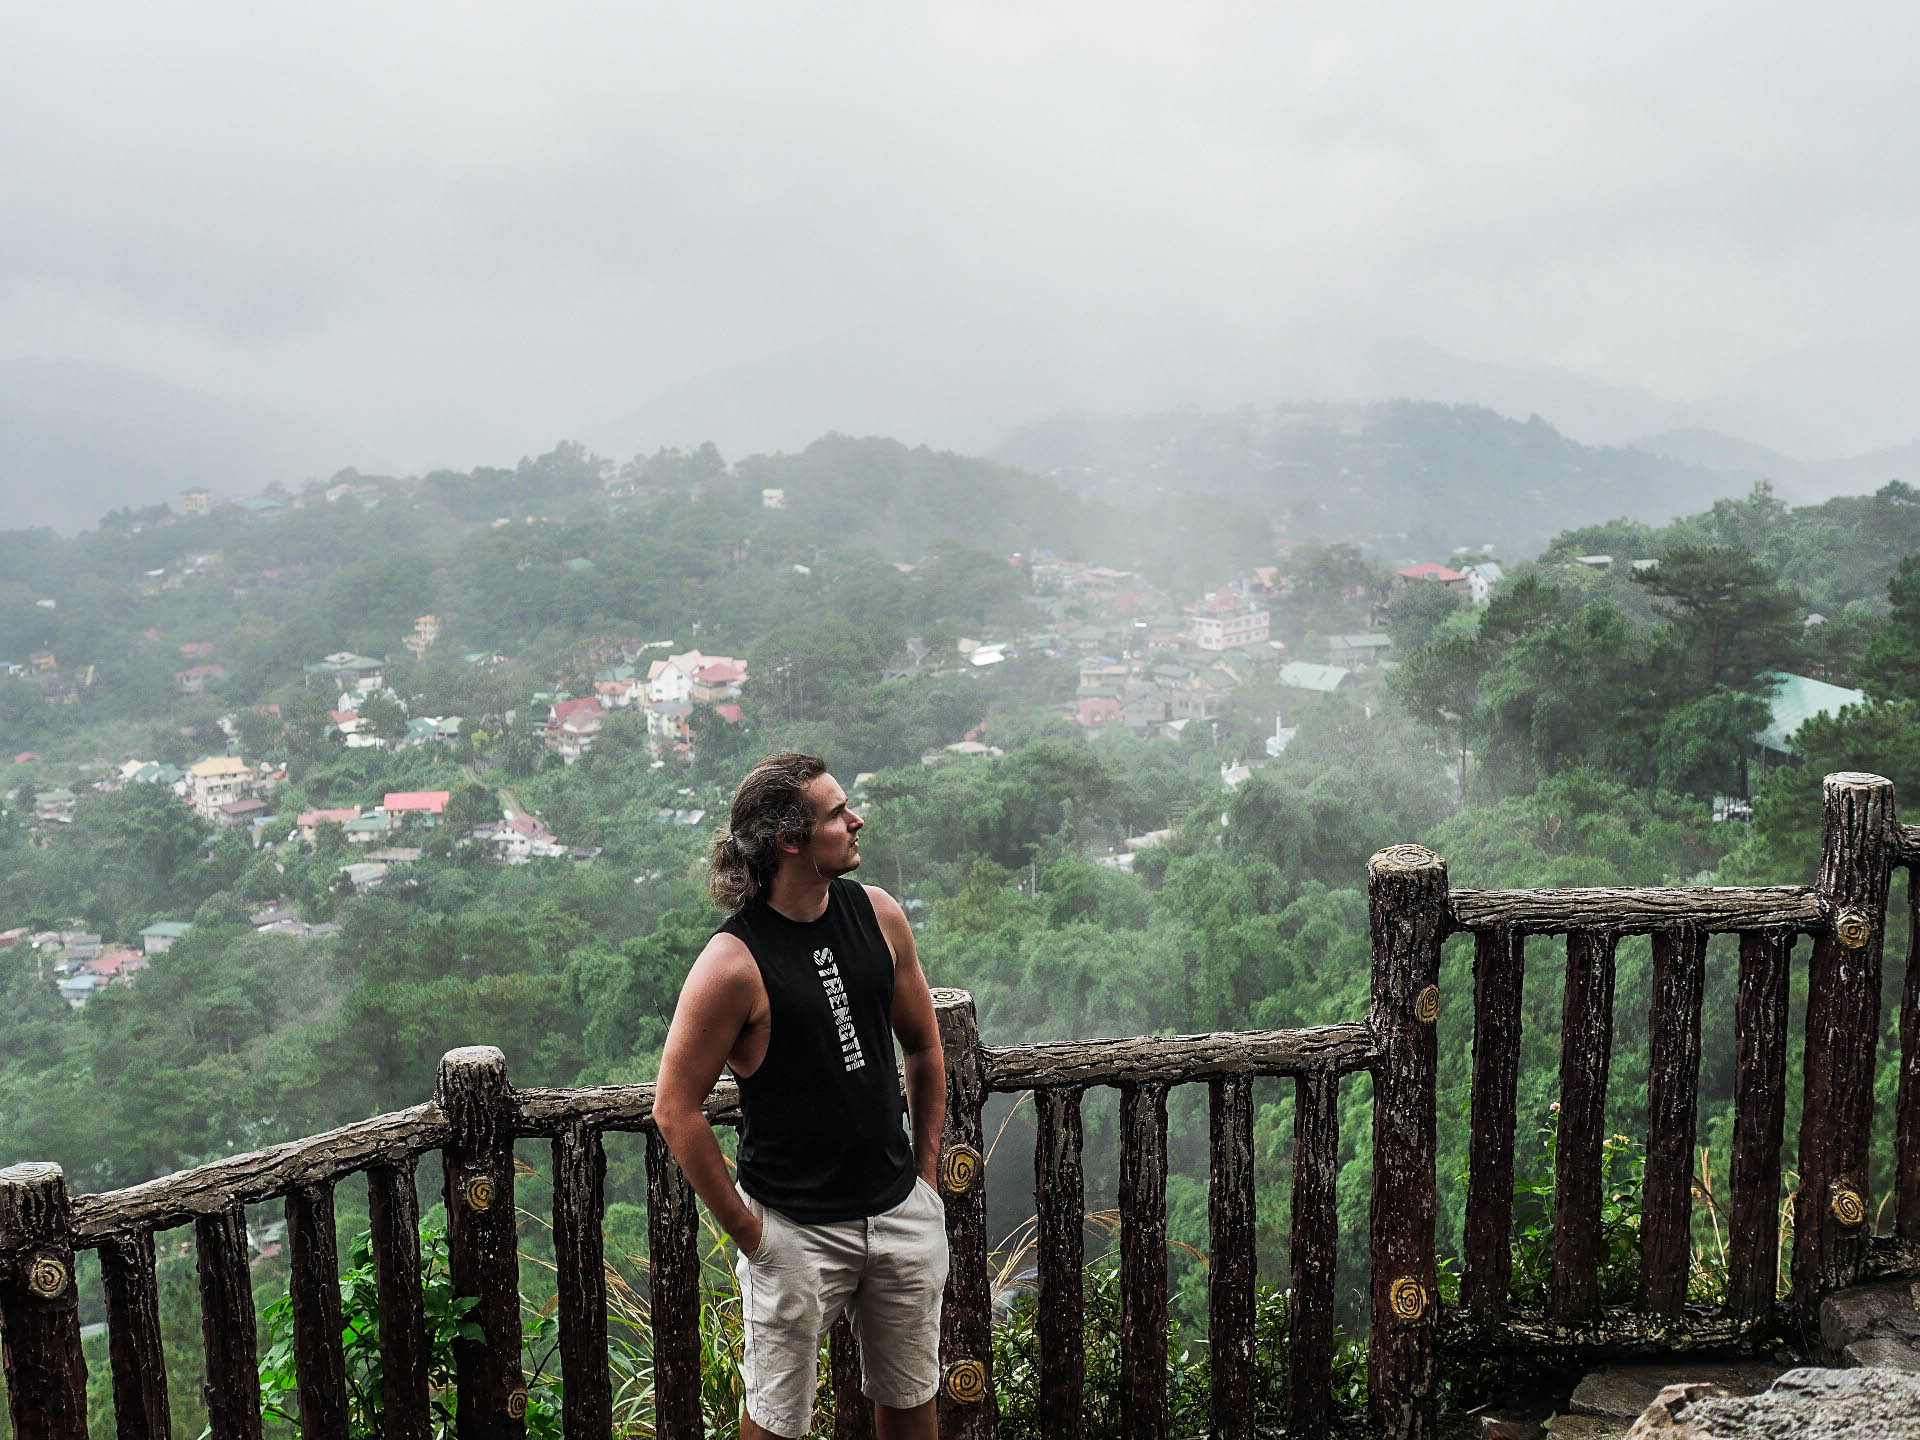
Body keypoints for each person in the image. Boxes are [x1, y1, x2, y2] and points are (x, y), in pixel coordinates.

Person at [654, 752, 948, 1440]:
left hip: (898, 1209)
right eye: (837, 814)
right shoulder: (733, 964)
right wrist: (753, 1236)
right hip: (795, 1228)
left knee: (912, 1404)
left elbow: (925, 1048)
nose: (856, 820)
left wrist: (926, 1181)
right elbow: (675, 1107)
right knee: (777, 1423)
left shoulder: (877, 915)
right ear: (790, 841)